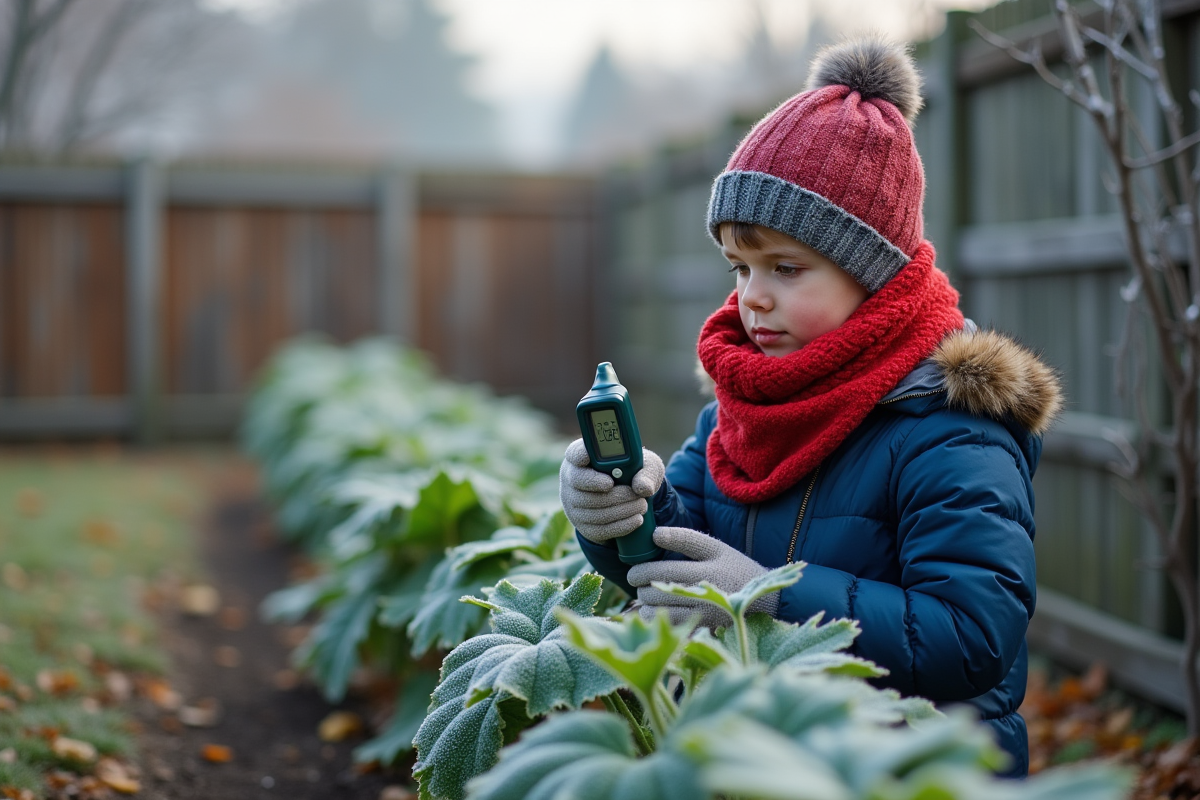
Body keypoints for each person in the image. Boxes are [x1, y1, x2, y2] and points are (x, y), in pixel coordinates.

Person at [558, 37, 1061, 778]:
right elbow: (680, 560)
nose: (752, 295)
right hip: (760, 765)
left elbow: (970, 638)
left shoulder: (953, 430)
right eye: (741, 266)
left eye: (785, 268)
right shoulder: (748, 402)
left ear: (873, 274)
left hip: (910, 777)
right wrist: (618, 513)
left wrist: (766, 598)